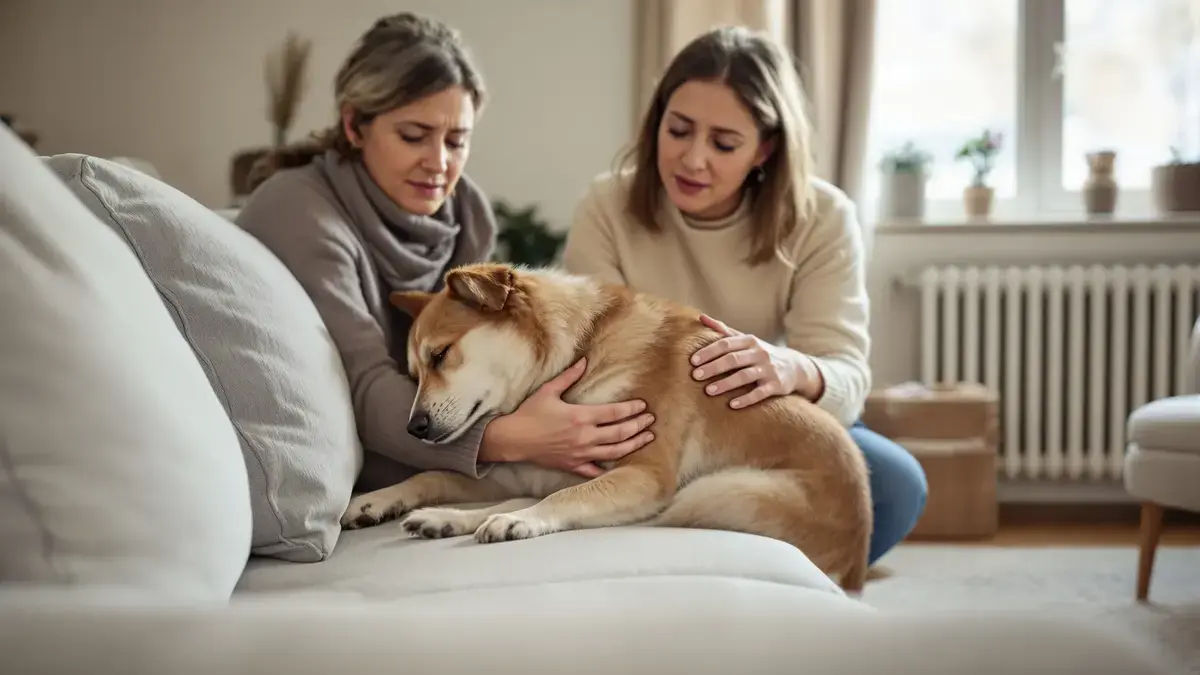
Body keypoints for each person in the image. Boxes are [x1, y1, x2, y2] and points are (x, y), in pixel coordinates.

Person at [236, 12, 655, 490]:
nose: (438, 163)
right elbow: (359, 386)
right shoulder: (299, 212)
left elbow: (489, 364)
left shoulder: (467, 212)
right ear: (354, 125)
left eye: (457, 141)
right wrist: (507, 439)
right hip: (360, 460)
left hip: (433, 445)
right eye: (413, 136)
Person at [561, 25, 927, 565]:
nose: (692, 159)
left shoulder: (822, 217)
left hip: (756, 426)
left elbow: (847, 378)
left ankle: (682, 546)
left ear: (765, 149)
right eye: (678, 129)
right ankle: (700, 546)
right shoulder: (607, 205)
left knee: (892, 485)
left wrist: (793, 369)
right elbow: (584, 361)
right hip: (645, 429)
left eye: (724, 143)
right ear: (656, 119)